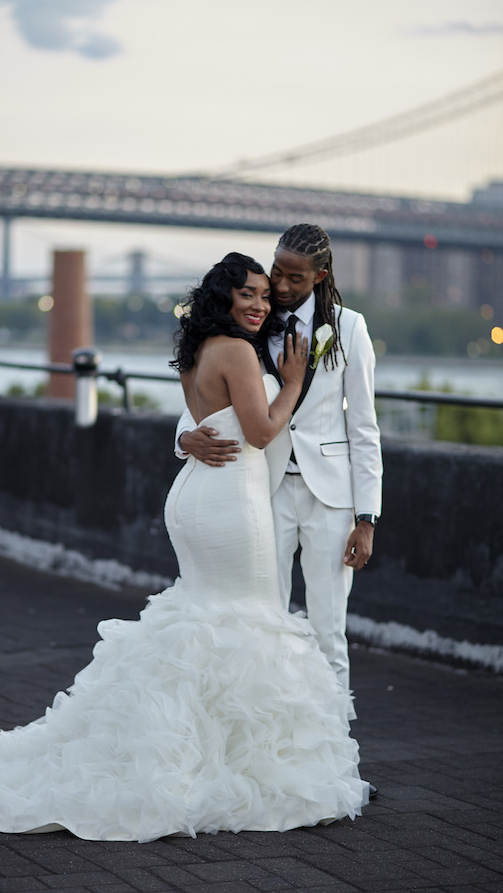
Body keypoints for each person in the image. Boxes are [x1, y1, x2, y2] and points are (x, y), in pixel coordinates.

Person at [0, 252, 369, 842]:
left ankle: (209, 756)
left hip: (198, 495)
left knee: (208, 623)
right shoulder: (236, 350)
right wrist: (296, 383)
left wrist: (188, 437)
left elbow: (203, 416)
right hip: (233, 500)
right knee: (248, 621)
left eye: (264, 294)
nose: (260, 304)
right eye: (247, 294)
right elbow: (258, 431)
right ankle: (238, 767)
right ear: (224, 298)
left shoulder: (198, 348)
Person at [176, 226, 383, 697]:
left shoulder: (349, 328)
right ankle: (274, 727)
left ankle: (333, 736)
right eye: (277, 273)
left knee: (328, 630)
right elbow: (205, 394)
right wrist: (185, 438)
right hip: (260, 491)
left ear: (320, 276)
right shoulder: (250, 320)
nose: (282, 287)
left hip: (330, 496)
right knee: (263, 620)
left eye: (296, 278)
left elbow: (364, 427)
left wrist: (367, 517)